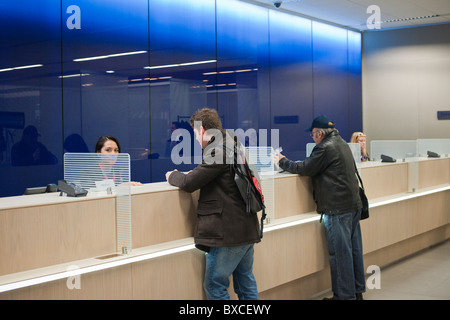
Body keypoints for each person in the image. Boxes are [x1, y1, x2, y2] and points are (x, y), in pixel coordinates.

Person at [165, 108, 261, 300]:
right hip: (246, 228)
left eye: (194, 133)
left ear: (201, 131)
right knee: (245, 284)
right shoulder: (233, 145)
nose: (195, 138)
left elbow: (188, 183)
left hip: (227, 233)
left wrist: (172, 176)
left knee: (215, 286)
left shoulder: (218, 150)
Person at [274, 115, 365, 300]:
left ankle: (344, 297)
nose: (312, 137)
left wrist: (282, 161)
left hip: (338, 209)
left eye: (313, 134)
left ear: (320, 133)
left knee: (340, 256)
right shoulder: (341, 143)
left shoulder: (324, 148)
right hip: (354, 205)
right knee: (353, 252)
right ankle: (356, 293)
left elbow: (306, 168)